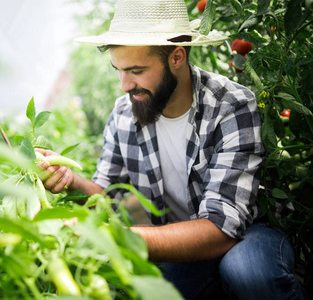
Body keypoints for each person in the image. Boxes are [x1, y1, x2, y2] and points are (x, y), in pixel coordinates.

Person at [36, 0, 304, 299]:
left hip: (247, 232)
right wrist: (70, 181)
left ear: (177, 57)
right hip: (182, 236)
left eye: (136, 70)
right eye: (119, 70)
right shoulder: (126, 113)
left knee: (248, 270)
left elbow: (221, 228)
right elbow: (106, 196)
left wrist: (120, 237)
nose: (124, 85)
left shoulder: (230, 106)